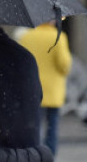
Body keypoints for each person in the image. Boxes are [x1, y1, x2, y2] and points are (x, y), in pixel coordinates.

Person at [18, 21, 72, 154]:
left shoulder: (27, 36)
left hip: (32, 90)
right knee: (52, 128)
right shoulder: (59, 37)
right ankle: (49, 159)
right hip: (52, 92)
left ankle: (33, 155)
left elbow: (20, 63)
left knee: (33, 128)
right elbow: (64, 66)